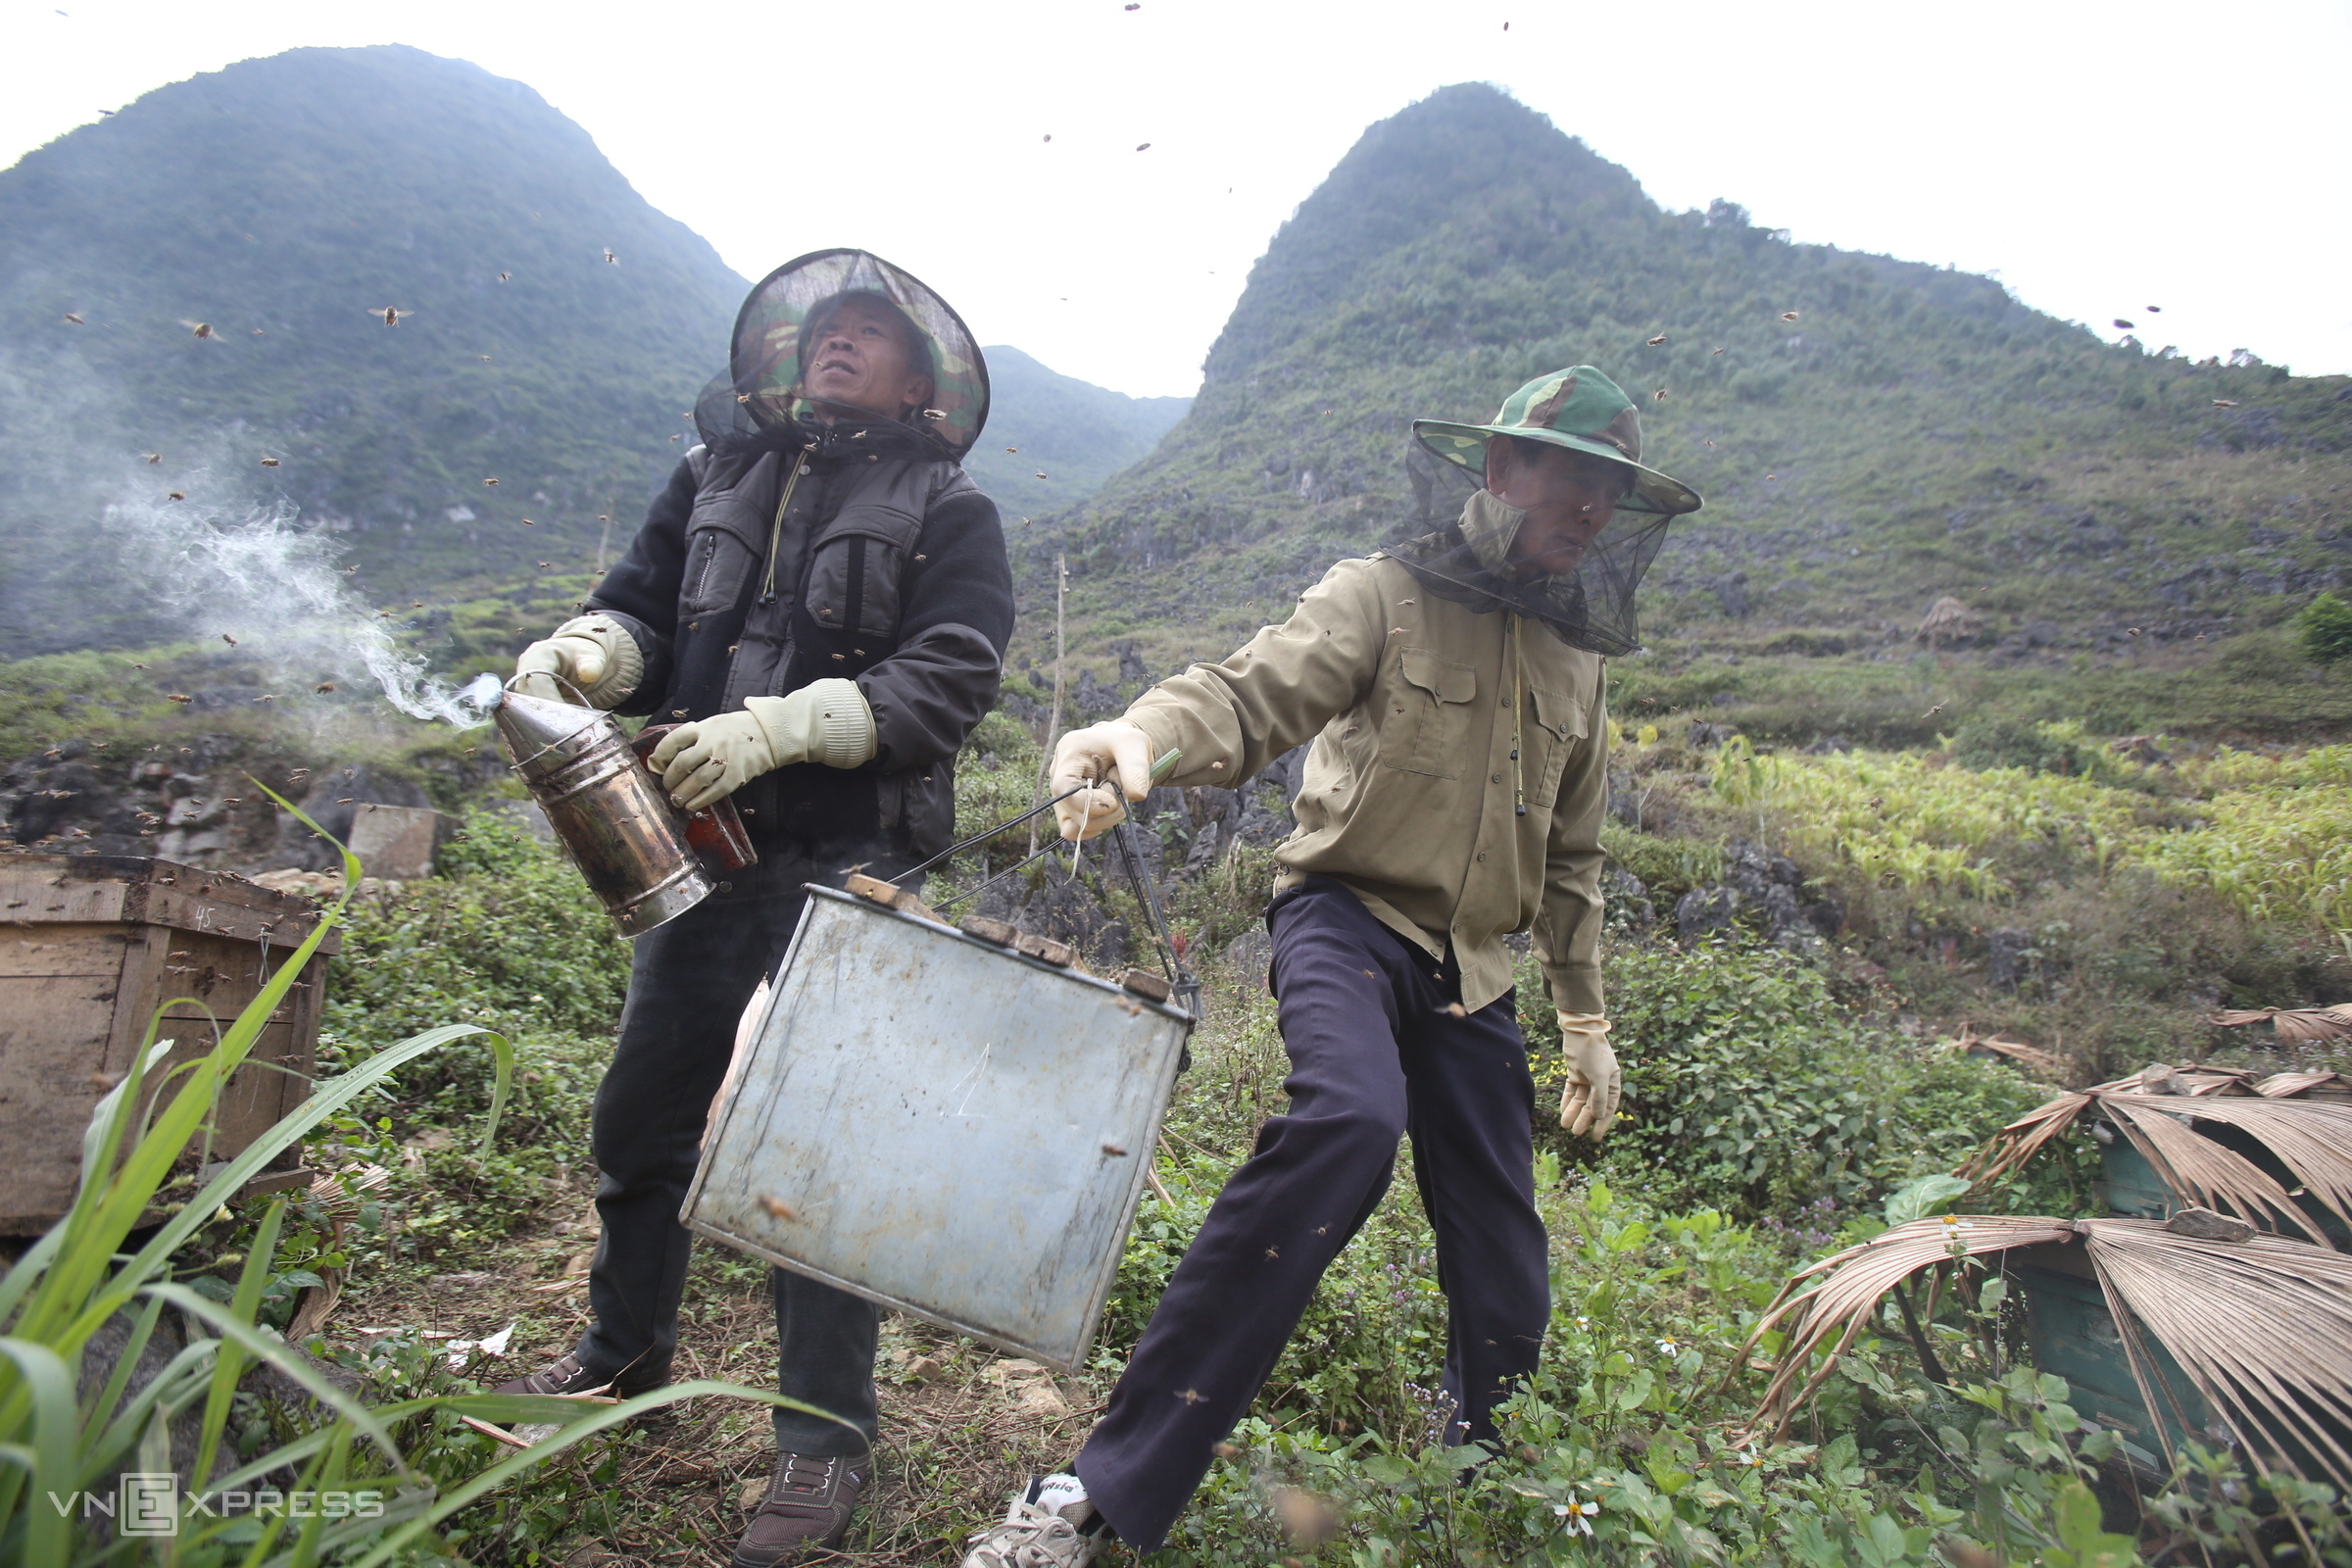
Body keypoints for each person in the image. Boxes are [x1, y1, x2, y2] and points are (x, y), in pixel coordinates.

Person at [958, 367, 1703, 1566]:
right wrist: (1135, 735)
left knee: (1507, 1258)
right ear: (1504, 471)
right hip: (1347, 920)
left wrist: (1587, 1021)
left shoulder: (1580, 661)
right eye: (1576, 480)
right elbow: (1249, 692)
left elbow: (1572, 858)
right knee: (1351, 1122)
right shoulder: (1383, 594)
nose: (1594, 512)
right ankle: (1091, 1490)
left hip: (1475, 972)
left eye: (1613, 491)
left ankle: (1478, 1468)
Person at [502, 249, 1014, 1567]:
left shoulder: (949, 508)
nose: (839, 341)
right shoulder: (715, 472)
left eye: (870, 331)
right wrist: (584, 653)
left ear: (920, 377)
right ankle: (622, 1357)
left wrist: (783, 727)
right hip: (704, 852)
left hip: (851, 864)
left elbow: (950, 678)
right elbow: (638, 606)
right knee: (643, 1114)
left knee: (819, 1159)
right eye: (826, 325)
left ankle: (821, 1445)